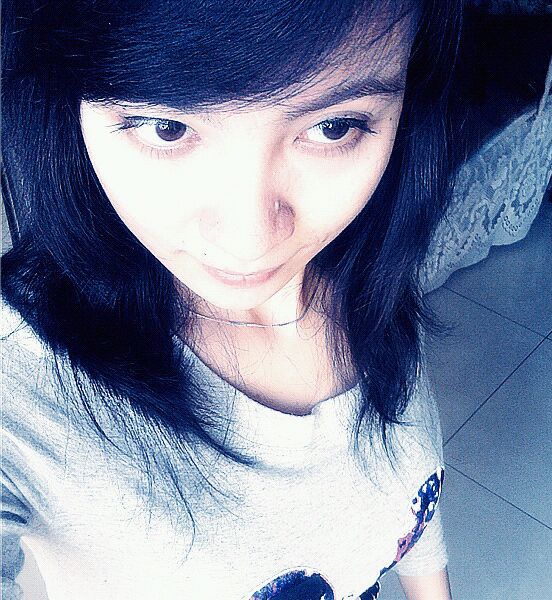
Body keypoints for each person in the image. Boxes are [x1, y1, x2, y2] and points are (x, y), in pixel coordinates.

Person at [1, 0, 462, 598]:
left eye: (333, 127)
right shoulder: (17, 384)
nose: (251, 242)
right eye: (167, 127)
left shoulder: (363, 265)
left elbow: (413, 498)